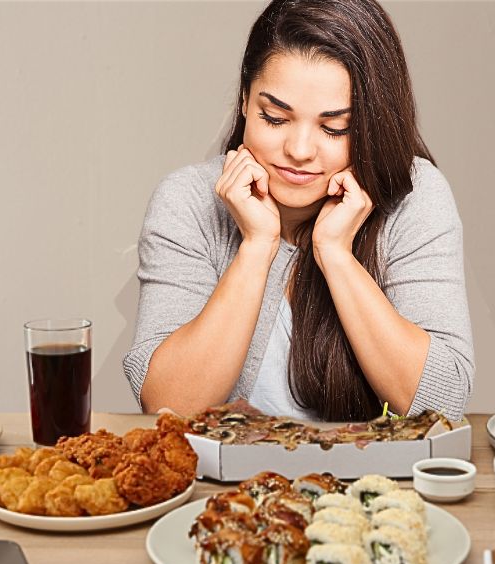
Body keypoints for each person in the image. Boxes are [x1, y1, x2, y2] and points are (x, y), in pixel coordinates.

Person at [124, 0, 474, 422]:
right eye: (274, 118)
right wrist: (257, 246)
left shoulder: (414, 197)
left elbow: (444, 402)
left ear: (372, 123)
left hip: (369, 484)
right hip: (225, 487)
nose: (300, 151)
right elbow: (169, 407)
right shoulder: (188, 200)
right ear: (244, 101)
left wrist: (336, 255)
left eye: (334, 128)